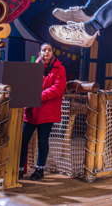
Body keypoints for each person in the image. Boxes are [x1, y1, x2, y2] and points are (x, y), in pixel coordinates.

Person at [19, 43, 66, 181]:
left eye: (49, 50)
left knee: (42, 141)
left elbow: (58, 88)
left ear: (52, 53)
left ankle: (40, 170)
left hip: (47, 111)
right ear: (39, 53)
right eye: (44, 50)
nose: (47, 52)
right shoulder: (33, 67)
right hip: (30, 110)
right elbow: (25, 83)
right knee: (22, 140)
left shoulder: (59, 68)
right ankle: (20, 169)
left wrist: (37, 96)